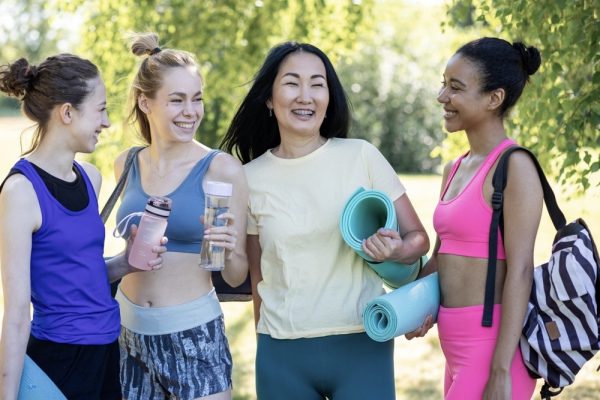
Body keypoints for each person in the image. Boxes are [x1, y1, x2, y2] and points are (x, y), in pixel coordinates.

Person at [221, 41, 430, 400]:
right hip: (282, 353)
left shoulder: (361, 156)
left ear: (329, 97)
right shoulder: (248, 179)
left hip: (362, 344)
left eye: (317, 84)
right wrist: (263, 342)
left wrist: (394, 251)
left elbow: (419, 240)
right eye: (292, 83)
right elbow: (258, 277)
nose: (306, 95)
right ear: (269, 99)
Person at [0, 54, 166, 400]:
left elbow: (79, 275)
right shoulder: (21, 192)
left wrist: (125, 263)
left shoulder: (90, 178)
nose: (106, 122)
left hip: (107, 351)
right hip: (60, 359)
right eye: (100, 109)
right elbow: (16, 314)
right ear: (67, 113)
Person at [407, 37, 543, 400]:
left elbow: (521, 270)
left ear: (493, 98)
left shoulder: (516, 166)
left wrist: (500, 371)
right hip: (453, 345)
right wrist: (411, 306)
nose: (442, 97)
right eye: (443, 84)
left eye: (455, 88)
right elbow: (441, 257)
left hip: (493, 349)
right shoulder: (454, 168)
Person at [114, 32, 248, 400]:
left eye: (197, 99)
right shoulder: (126, 164)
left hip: (193, 334)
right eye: (177, 100)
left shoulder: (222, 170)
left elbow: (236, 275)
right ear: (145, 102)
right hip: (127, 333)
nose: (191, 112)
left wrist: (232, 249)